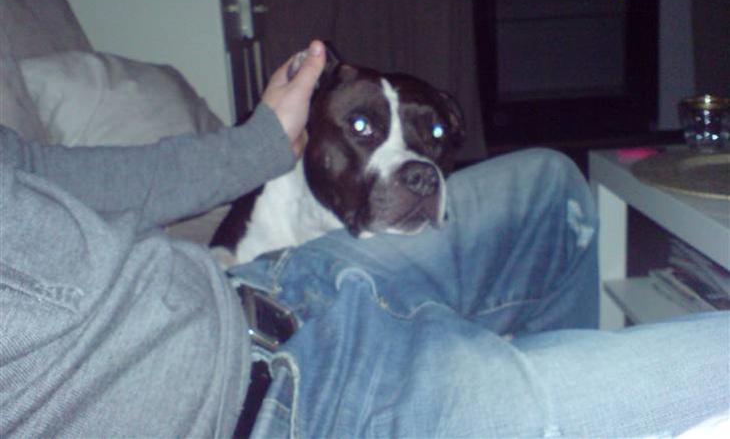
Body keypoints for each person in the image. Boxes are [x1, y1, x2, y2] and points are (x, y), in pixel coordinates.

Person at [1, 40, 727, 438]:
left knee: (551, 182)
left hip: (251, 297)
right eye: (362, 128)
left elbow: (37, 171)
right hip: (260, 404)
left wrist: (259, 141)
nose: (419, 163)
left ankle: (520, 361)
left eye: (433, 139)